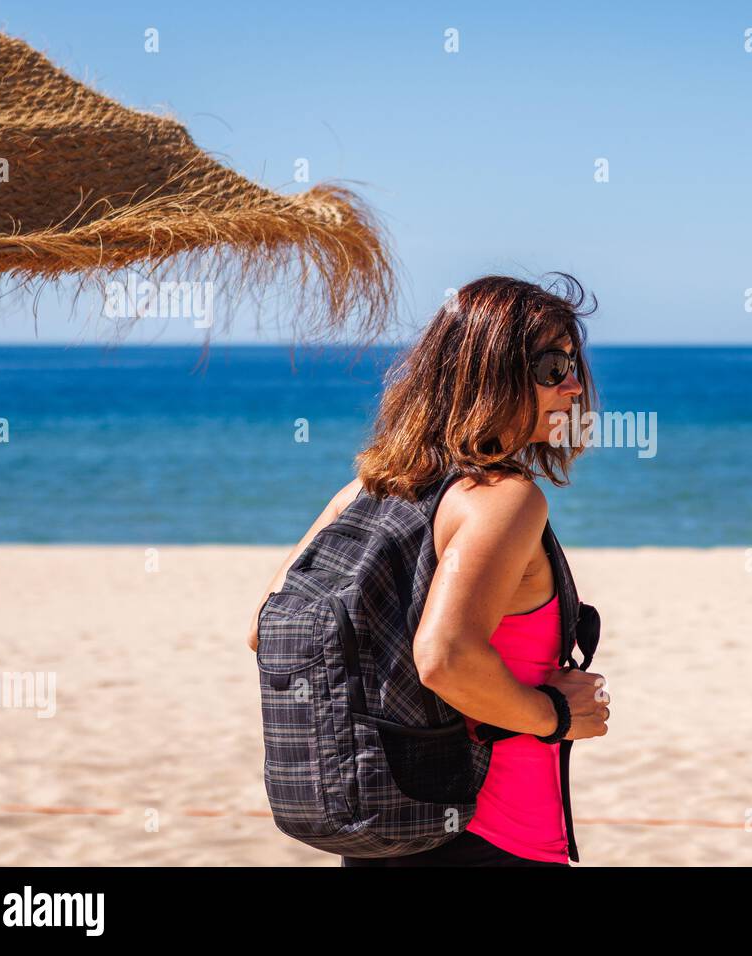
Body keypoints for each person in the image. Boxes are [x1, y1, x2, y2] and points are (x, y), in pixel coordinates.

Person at [246, 273, 610, 867]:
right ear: (488, 375)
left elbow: (269, 628)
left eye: (573, 364)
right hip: (492, 837)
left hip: (387, 820)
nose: (572, 385)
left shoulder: (366, 490)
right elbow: (445, 657)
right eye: (550, 367)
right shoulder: (506, 499)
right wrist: (556, 715)